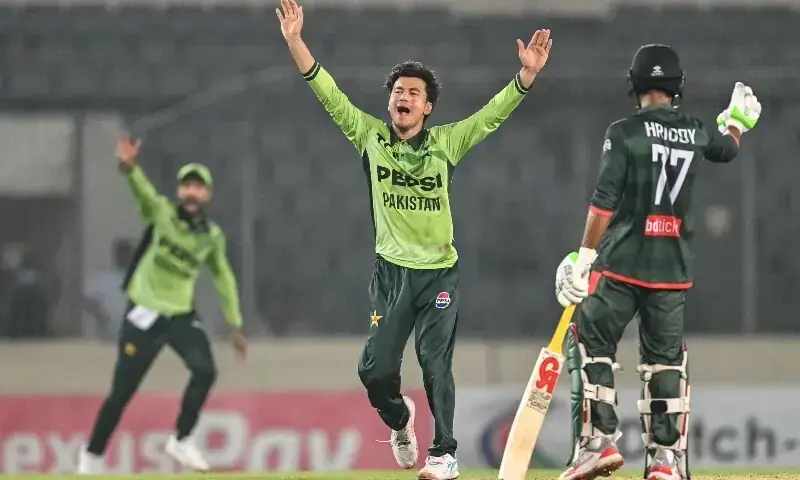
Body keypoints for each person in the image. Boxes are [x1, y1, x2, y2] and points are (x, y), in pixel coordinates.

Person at [276, 1, 551, 479]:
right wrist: (296, 41)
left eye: (413, 92)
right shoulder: (370, 137)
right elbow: (328, 93)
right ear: (390, 102)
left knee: (434, 361)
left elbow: (489, 117)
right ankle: (400, 419)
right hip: (391, 275)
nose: (403, 96)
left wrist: (524, 78)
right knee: (374, 373)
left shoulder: (446, 142)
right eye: (398, 91)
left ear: (427, 107)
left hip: (439, 273)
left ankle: (444, 454)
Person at [554, 45, 761, 480]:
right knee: (665, 362)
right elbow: (727, 149)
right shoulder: (696, 130)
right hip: (672, 269)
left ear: (633, 85)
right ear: (677, 86)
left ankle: (597, 443)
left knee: (589, 340)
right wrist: (736, 123)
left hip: (622, 264)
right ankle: (666, 461)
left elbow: (603, 203)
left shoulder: (624, 133)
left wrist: (584, 257)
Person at [77, 134, 248, 474]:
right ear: (179, 191)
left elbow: (224, 278)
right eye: (187, 186)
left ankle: (181, 439)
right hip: (145, 310)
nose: (192, 192)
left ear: (207, 195)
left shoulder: (210, 236)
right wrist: (129, 168)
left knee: (205, 370)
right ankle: (92, 456)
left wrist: (235, 324)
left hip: (179, 314)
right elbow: (143, 192)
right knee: (122, 391)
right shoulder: (161, 214)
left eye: (199, 187)